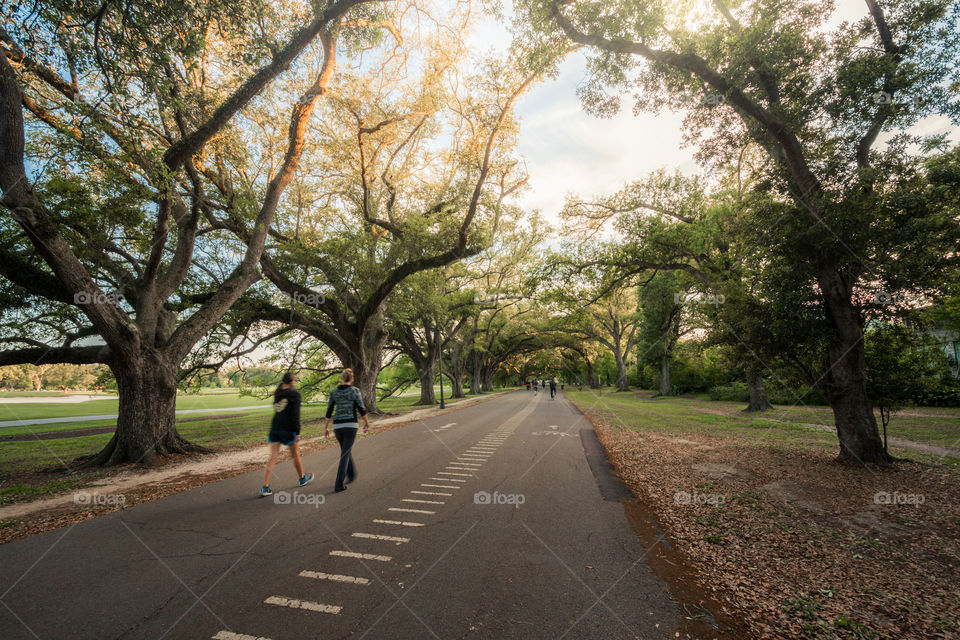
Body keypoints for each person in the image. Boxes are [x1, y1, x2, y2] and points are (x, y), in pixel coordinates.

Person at [259, 372, 313, 497]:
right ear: (292, 381)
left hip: (275, 427)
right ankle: (302, 479)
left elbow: (277, 409)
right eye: (295, 380)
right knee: (295, 454)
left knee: (272, 457)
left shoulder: (277, 393)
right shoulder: (294, 394)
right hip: (288, 429)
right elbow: (295, 415)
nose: (295, 382)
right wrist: (297, 432)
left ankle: (265, 487)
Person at [324, 368, 370, 493]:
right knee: (345, 453)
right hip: (350, 425)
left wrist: (326, 427)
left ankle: (351, 474)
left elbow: (329, 411)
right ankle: (338, 484)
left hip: (338, 426)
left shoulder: (334, 392)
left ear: (341, 378)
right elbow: (361, 408)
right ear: (352, 378)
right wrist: (367, 422)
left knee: (345, 450)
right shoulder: (355, 391)